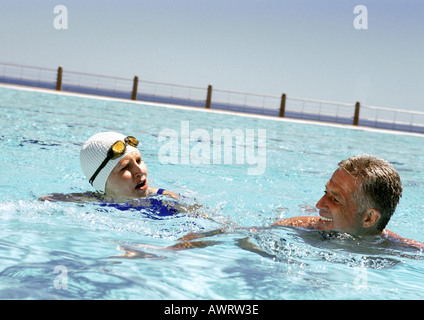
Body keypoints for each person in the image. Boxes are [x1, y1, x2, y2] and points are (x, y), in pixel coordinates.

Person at [162, 154, 424, 252]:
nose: (319, 203)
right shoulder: (301, 227)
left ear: (369, 219)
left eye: (335, 199)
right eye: (325, 192)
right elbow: (238, 235)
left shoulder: (400, 250)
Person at [40, 132, 196, 215]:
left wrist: (176, 247)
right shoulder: (91, 202)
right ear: (102, 182)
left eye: (139, 160)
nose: (139, 170)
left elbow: (216, 227)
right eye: (125, 167)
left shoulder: (166, 200)